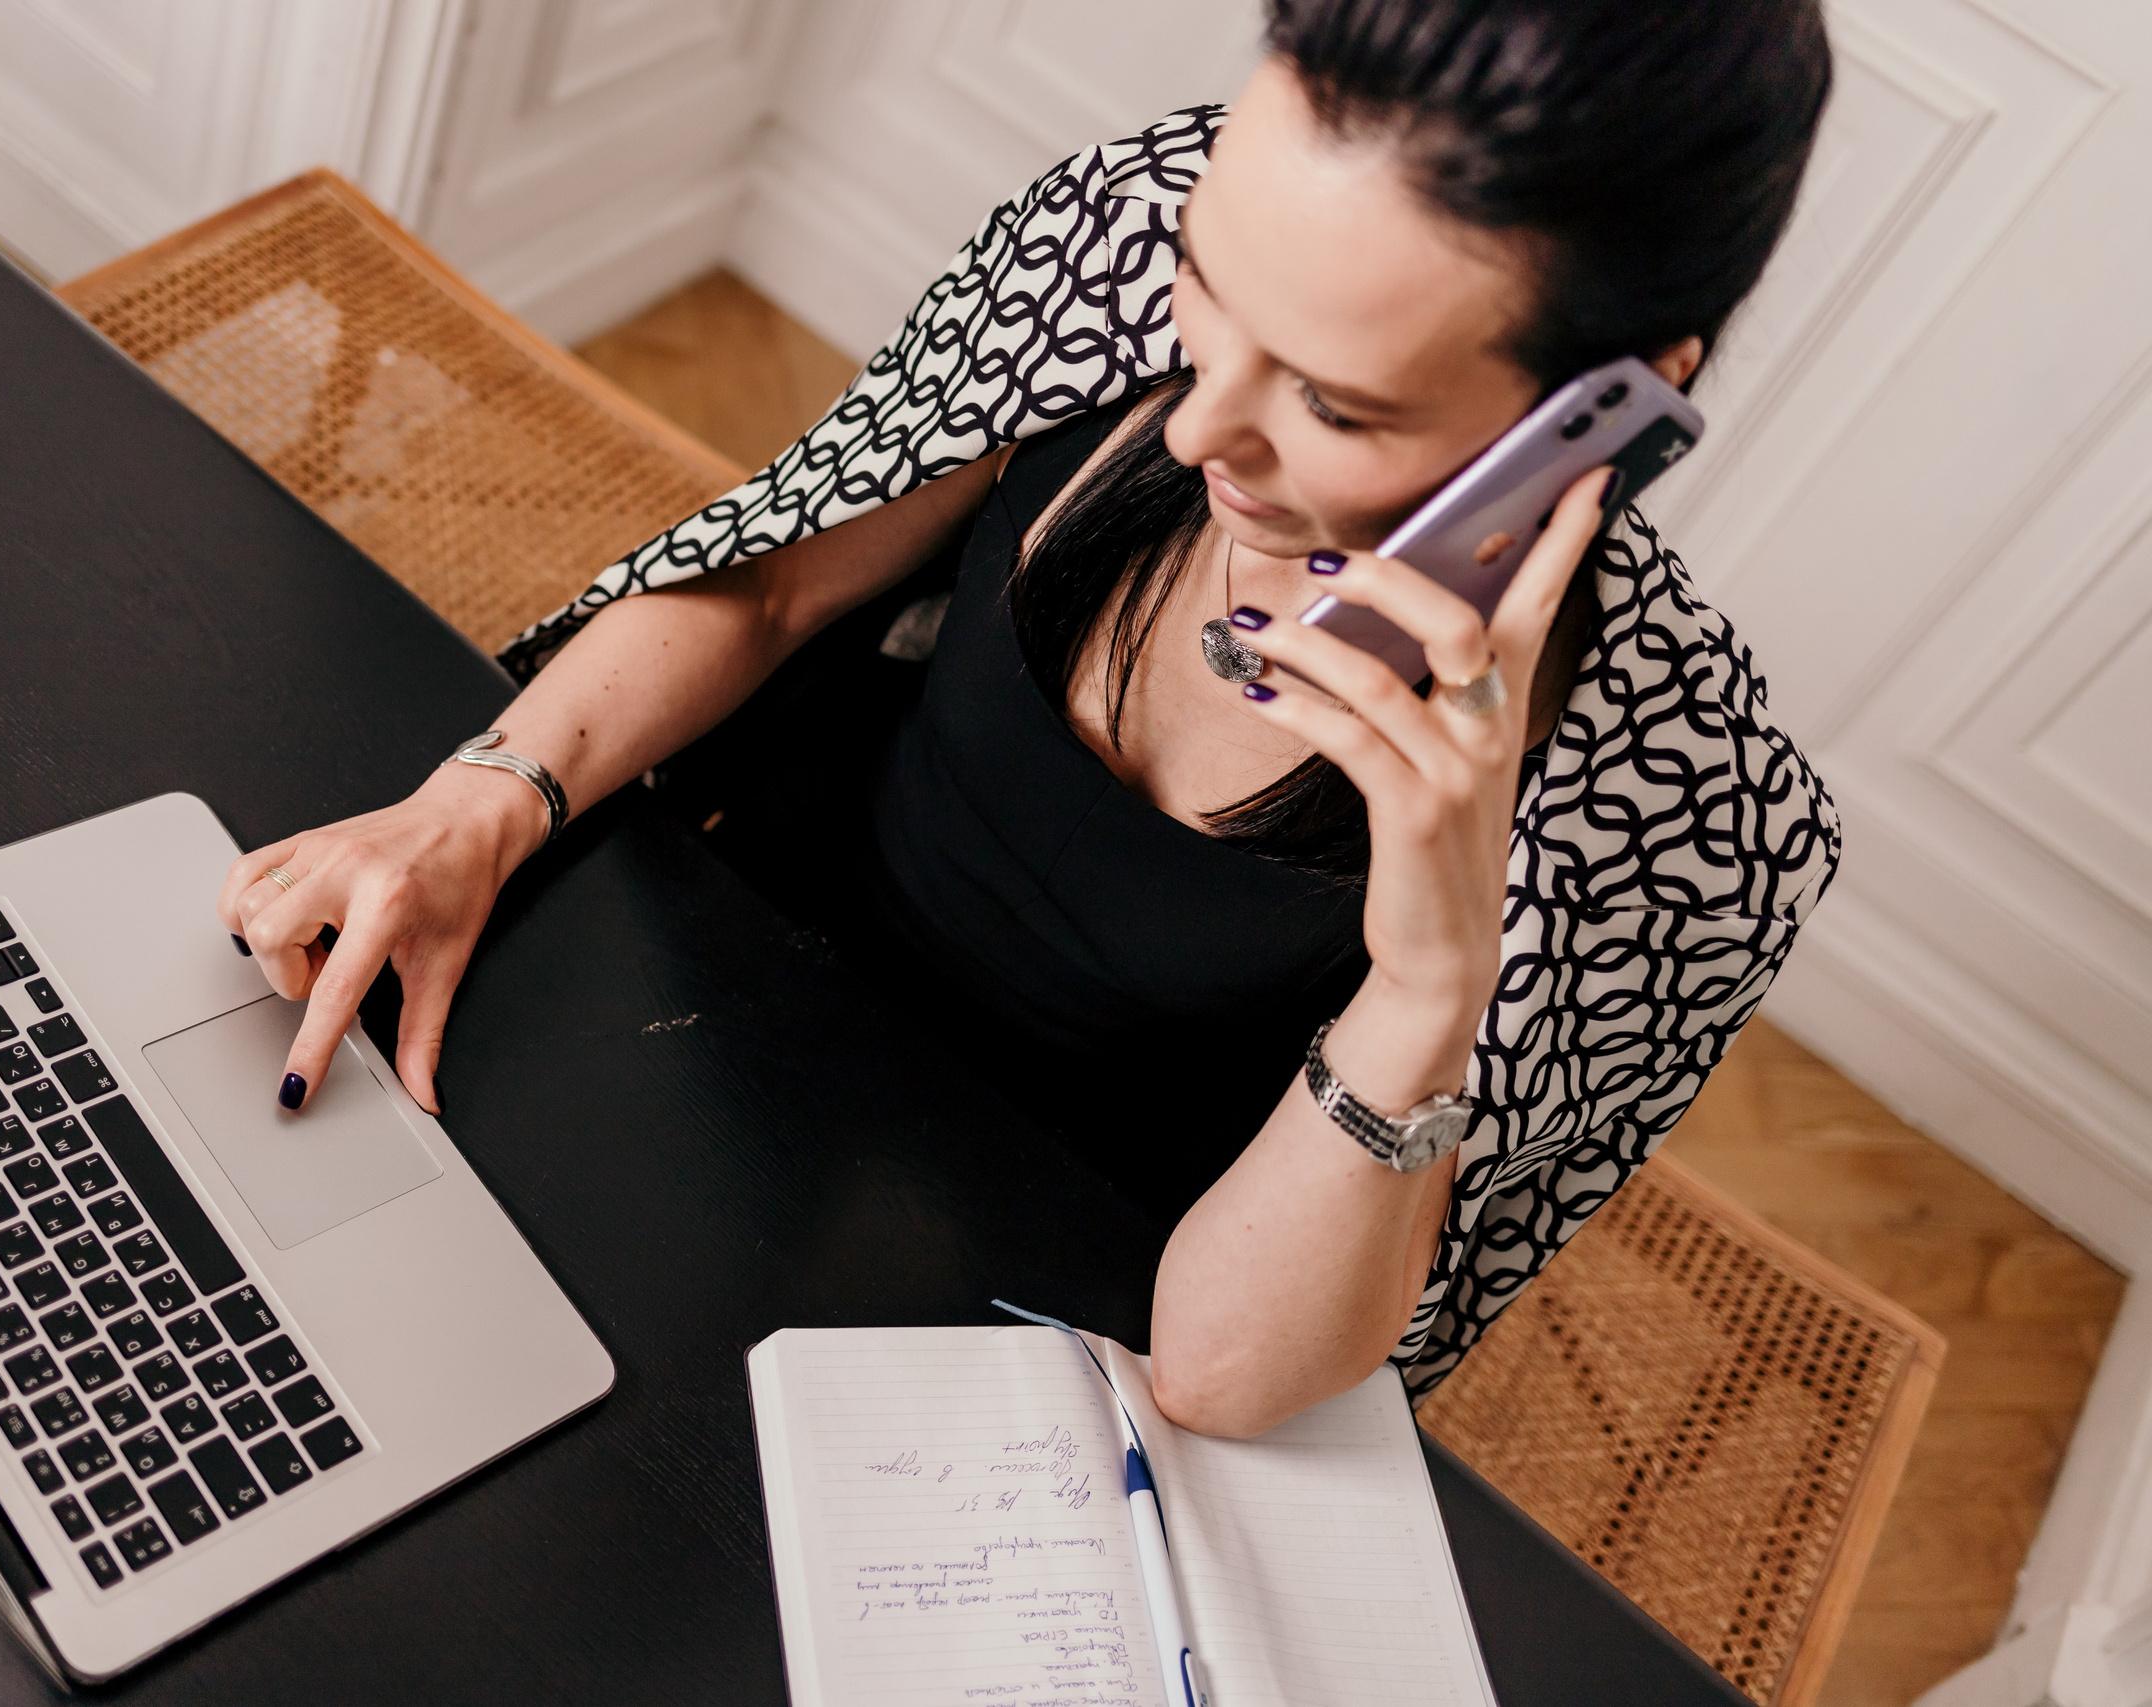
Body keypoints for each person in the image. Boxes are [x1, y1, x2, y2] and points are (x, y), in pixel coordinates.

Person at [218, 0, 1840, 1438]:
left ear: (1609, 410)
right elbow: (775, 581)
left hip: (1035, 1325)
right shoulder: (1118, 235)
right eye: (1209, 281)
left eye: (1335, 403)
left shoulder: (1686, 819)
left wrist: (1432, 986)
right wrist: (481, 800)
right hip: (695, 996)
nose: (1199, 423)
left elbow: (1221, 1377)